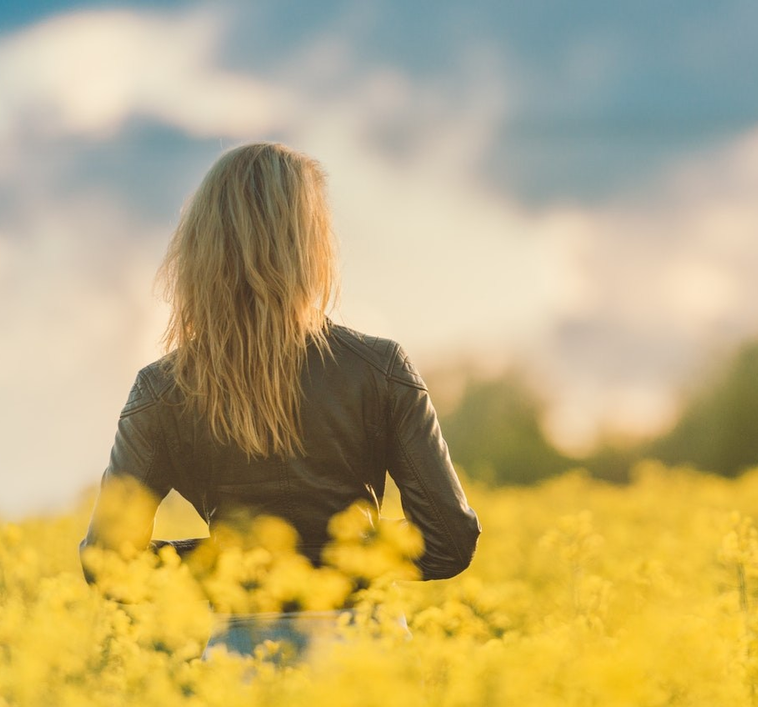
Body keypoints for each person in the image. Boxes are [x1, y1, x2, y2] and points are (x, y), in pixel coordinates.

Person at [79, 142, 480, 664]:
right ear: (309, 245)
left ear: (202, 246)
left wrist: (234, 561)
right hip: (369, 653)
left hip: (241, 653)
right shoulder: (379, 367)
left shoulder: (163, 389)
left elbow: (108, 562)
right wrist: (335, 556)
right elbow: (449, 540)